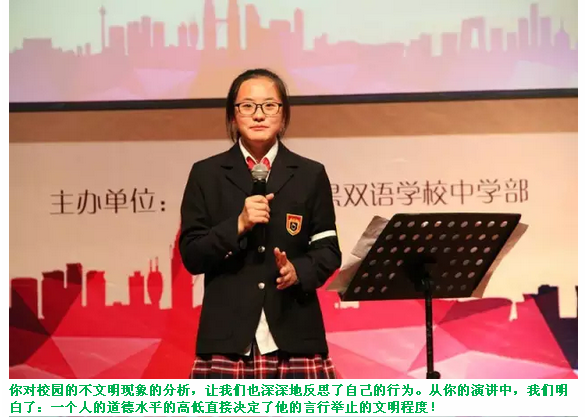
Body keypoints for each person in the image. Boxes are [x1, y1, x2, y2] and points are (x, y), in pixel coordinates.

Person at [179, 68, 341, 379]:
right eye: (247, 106)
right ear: (233, 115)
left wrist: (298, 271)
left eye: (269, 105)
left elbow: (328, 250)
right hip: (228, 339)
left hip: (294, 334)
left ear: (284, 114)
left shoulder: (310, 174)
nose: (258, 115)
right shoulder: (206, 174)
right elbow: (192, 254)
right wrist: (238, 225)